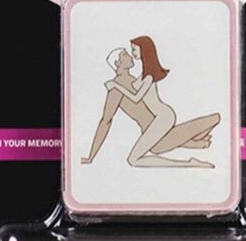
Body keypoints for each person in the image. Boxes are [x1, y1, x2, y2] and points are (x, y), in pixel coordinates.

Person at [81, 47, 219, 164]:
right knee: (157, 148)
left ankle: (191, 158)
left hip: (157, 129)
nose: (130, 56)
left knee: (133, 160)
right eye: (125, 55)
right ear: (117, 63)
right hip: (155, 132)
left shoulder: (128, 82)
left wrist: (90, 158)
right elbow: (105, 121)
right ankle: (193, 146)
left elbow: (141, 103)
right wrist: (91, 156)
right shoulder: (116, 89)